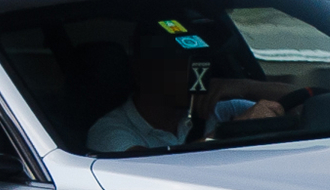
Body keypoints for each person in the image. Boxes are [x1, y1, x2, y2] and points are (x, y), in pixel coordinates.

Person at [86, 22, 296, 153]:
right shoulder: (109, 131)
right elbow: (154, 172)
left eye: (198, 64)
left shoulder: (220, 110)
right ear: (143, 70)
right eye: (179, 65)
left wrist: (245, 86)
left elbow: (306, 103)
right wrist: (232, 131)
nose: (196, 75)